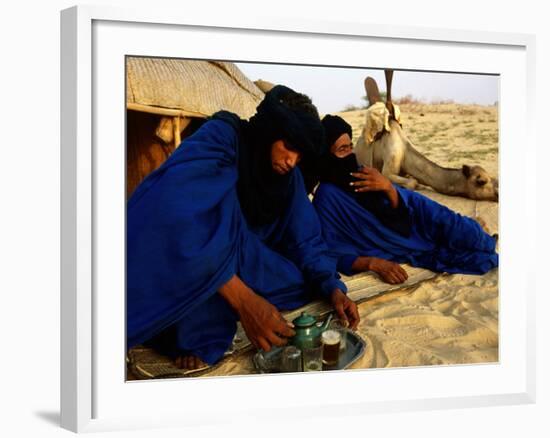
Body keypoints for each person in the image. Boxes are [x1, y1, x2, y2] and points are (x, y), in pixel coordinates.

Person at [126, 87, 360, 370]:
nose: (291, 161)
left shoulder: (288, 177)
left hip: (245, 257)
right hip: (195, 251)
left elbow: (307, 238)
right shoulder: (222, 138)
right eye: (289, 147)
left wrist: (333, 287)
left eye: (300, 155)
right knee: (193, 302)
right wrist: (244, 300)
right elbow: (171, 211)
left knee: (302, 281)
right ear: (270, 131)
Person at [312, 115, 498, 285]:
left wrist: (387, 187)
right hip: (401, 242)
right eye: (342, 149)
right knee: (477, 259)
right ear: (327, 155)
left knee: (470, 235)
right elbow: (329, 251)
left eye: (350, 146)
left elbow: (401, 211)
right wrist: (373, 263)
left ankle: (482, 237)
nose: (350, 154)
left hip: (416, 219)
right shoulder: (326, 198)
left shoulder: (362, 173)